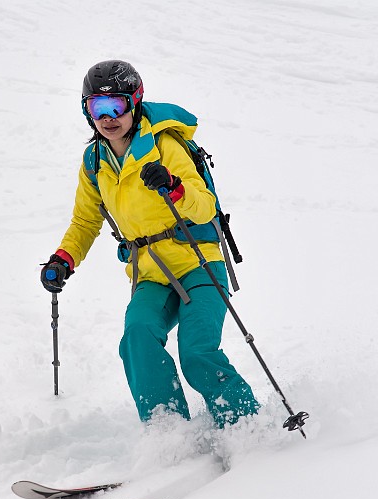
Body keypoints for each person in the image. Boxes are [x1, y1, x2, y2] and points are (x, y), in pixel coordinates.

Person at [40, 60, 259, 428]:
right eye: (97, 107)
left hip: (198, 261)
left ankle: (246, 425)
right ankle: (169, 430)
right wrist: (64, 259)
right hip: (152, 272)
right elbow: (85, 221)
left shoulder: (165, 146)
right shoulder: (94, 161)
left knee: (197, 352)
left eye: (117, 106)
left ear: (135, 103)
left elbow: (204, 207)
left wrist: (174, 184)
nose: (108, 117)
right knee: (137, 340)